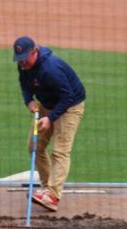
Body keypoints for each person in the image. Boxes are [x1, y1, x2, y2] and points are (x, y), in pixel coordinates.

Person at [13, 36, 86, 213]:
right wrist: (28, 100)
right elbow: (24, 84)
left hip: (70, 106)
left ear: (34, 52)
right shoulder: (24, 65)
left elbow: (67, 97)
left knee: (60, 151)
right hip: (47, 104)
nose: (22, 64)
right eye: (19, 60)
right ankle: (46, 189)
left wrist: (50, 118)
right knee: (34, 146)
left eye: (25, 59)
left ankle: (52, 195)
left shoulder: (50, 69)